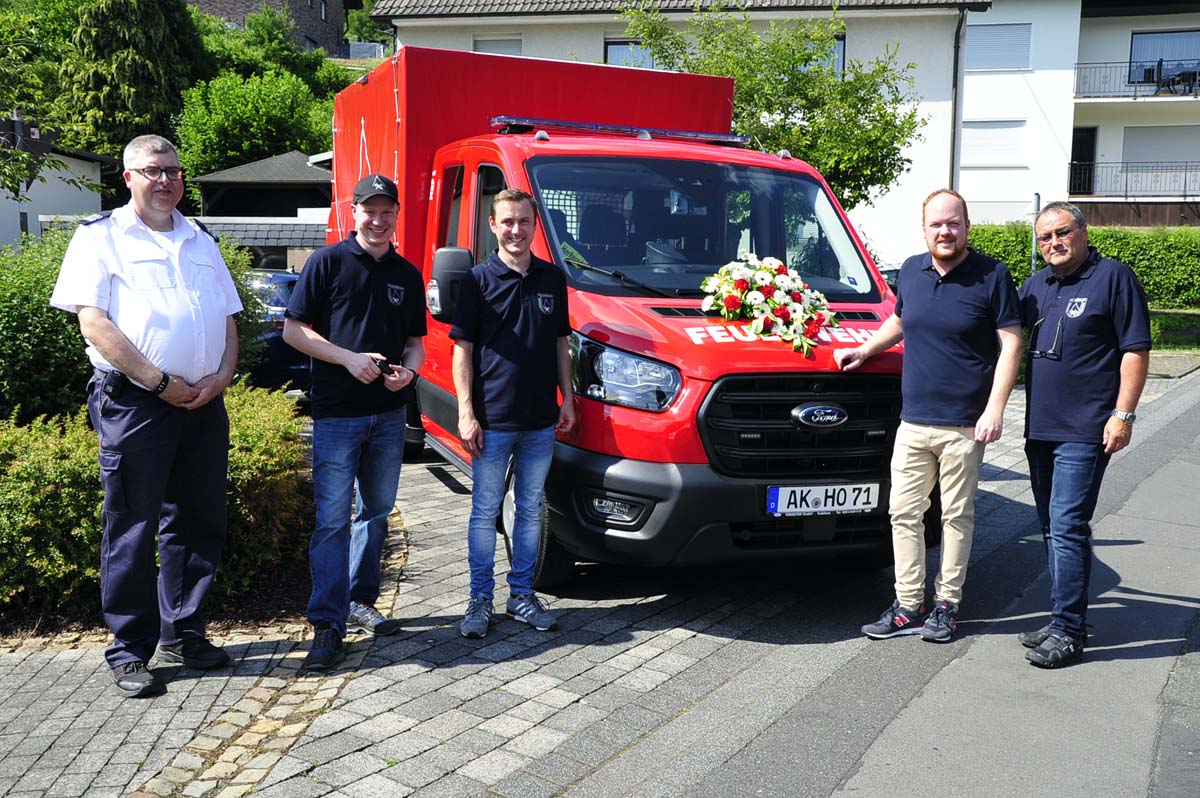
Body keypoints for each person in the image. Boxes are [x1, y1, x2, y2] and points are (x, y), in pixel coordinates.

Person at [50, 135, 241, 698]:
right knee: (131, 524)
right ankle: (129, 650)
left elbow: (228, 317)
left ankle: (184, 631)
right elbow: (95, 323)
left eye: (175, 171)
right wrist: (158, 382)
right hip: (137, 404)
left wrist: (222, 377)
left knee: (199, 519)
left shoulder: (200, 237)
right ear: (128, 177)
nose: (167, 181)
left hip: (204, 404)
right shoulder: (101, 238)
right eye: (154, 171)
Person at [835, 189, 1022, 643]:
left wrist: (996, 407)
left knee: (956, 517)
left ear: (966, 227)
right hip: (914, 422)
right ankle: (907, 604)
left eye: (953, 223)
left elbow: (1012, 343)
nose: (945, 231)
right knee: (903, 513)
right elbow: (900, 321)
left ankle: (946, 605)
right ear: (924, 228)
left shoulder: (992, 275)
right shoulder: (913, 272)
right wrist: (864, 349)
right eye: (937, 223)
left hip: (963, 425)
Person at [283, 174, 426, 671]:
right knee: (331, 522)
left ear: (395, 215)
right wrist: (347, 359)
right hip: (338, 415)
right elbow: (293, 331)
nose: (379, 219)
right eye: (370, 209)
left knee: (377, 511)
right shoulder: (327, 263)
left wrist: (411, 371)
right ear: (354, 211)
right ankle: (327, 623)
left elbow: (415, 341)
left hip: (388, 415)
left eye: (388, 210)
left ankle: (361, 600)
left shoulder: (407, 274)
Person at [1018, 201, 1150, 668]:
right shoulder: (1035, 286)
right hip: (1039, 430)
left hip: (1086, 429)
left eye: (1062, 232)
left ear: (1082, 231)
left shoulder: (1114, 277)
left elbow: (1135, 350)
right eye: (1044, 236)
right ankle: (1062, 618)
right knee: (1053, 529)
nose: (1053, 242)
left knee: (1069, 527)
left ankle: (1069, 631)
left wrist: (1124, 415)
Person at [450, 188, 575, 639]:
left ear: (534, 225)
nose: (516, 229)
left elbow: (561, 343)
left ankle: (520, 595)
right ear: (493, 225)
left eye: (524, 221)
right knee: (484, 512)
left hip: (540, 420)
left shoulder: (551, 279)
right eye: (507, 221)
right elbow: (461, 351)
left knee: (528, 512)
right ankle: (479, 600)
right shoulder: (477, 281)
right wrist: (467, 413)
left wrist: (570, 399)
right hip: (492, 421)